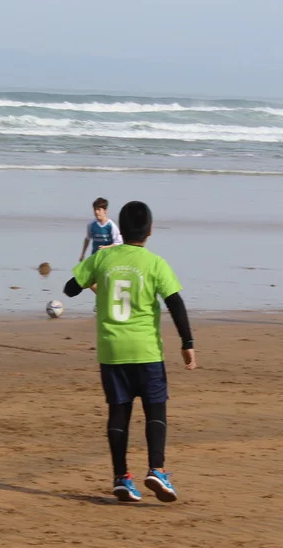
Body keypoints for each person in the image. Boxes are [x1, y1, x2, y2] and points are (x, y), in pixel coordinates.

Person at [63, 201, 196, 503]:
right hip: (146, 350)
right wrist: (187, 343)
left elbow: (70, 288)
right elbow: (175, 303)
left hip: (112, 352)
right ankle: (157, 470)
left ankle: (121, 477)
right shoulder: (155, 263)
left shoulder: (102, 258)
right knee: (155, 409)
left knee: (119, 412)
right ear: (150, 230)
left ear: (120, 229)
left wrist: (96, 277)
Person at [78, 197, 123, 262]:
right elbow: (87, 239)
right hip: (95, 257)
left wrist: (106, 247)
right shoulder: (91, 224)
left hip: (108, 258)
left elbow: (119, 243)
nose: (96, 212)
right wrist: (82, 254)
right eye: (95, 209)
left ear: (105, 211)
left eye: (99, 209)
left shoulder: (111, 226)